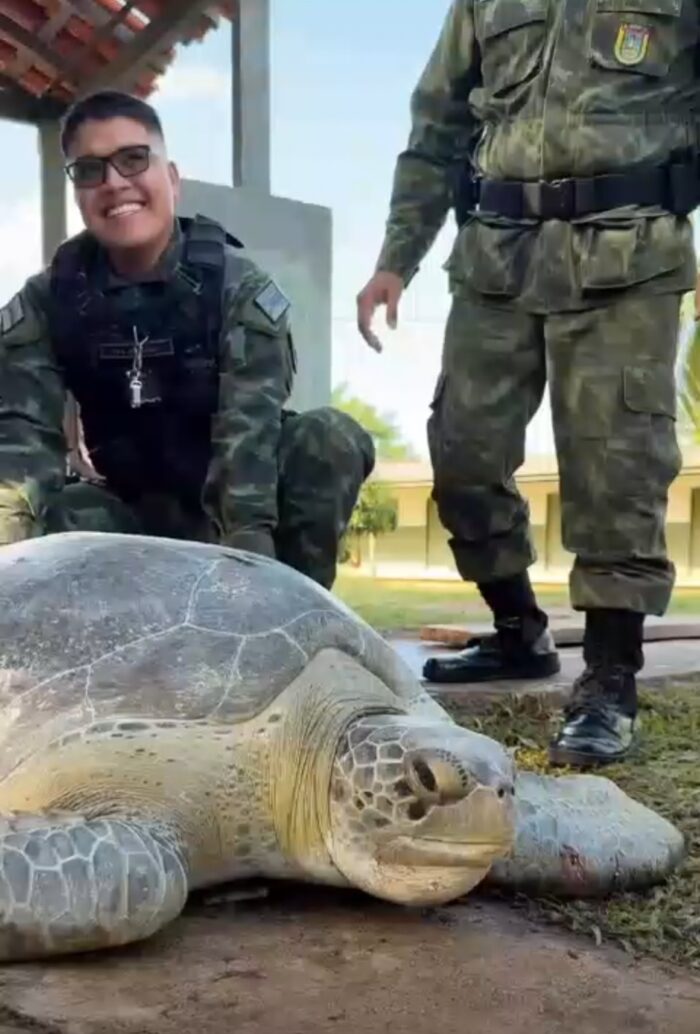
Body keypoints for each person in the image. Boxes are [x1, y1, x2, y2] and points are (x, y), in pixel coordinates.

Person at [356, 1, 699, 766]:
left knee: (617, 469)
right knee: (464, 456)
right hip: (496, 257)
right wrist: (395, 259)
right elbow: (437, 127)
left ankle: (610, 678)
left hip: (630, 252)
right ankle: (518, 632)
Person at [0, 89, 375, 591]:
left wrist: (250, 589)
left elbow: (249, 445)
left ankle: (296, 627)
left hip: (235, 505)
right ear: (78, 193)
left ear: (171, 178)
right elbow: (23, 457)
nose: (114, 183)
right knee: (59, 515)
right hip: (130, 515)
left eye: (133, 159)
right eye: (90, 171)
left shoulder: (238, 286)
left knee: (328, 439)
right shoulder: (48, 299)